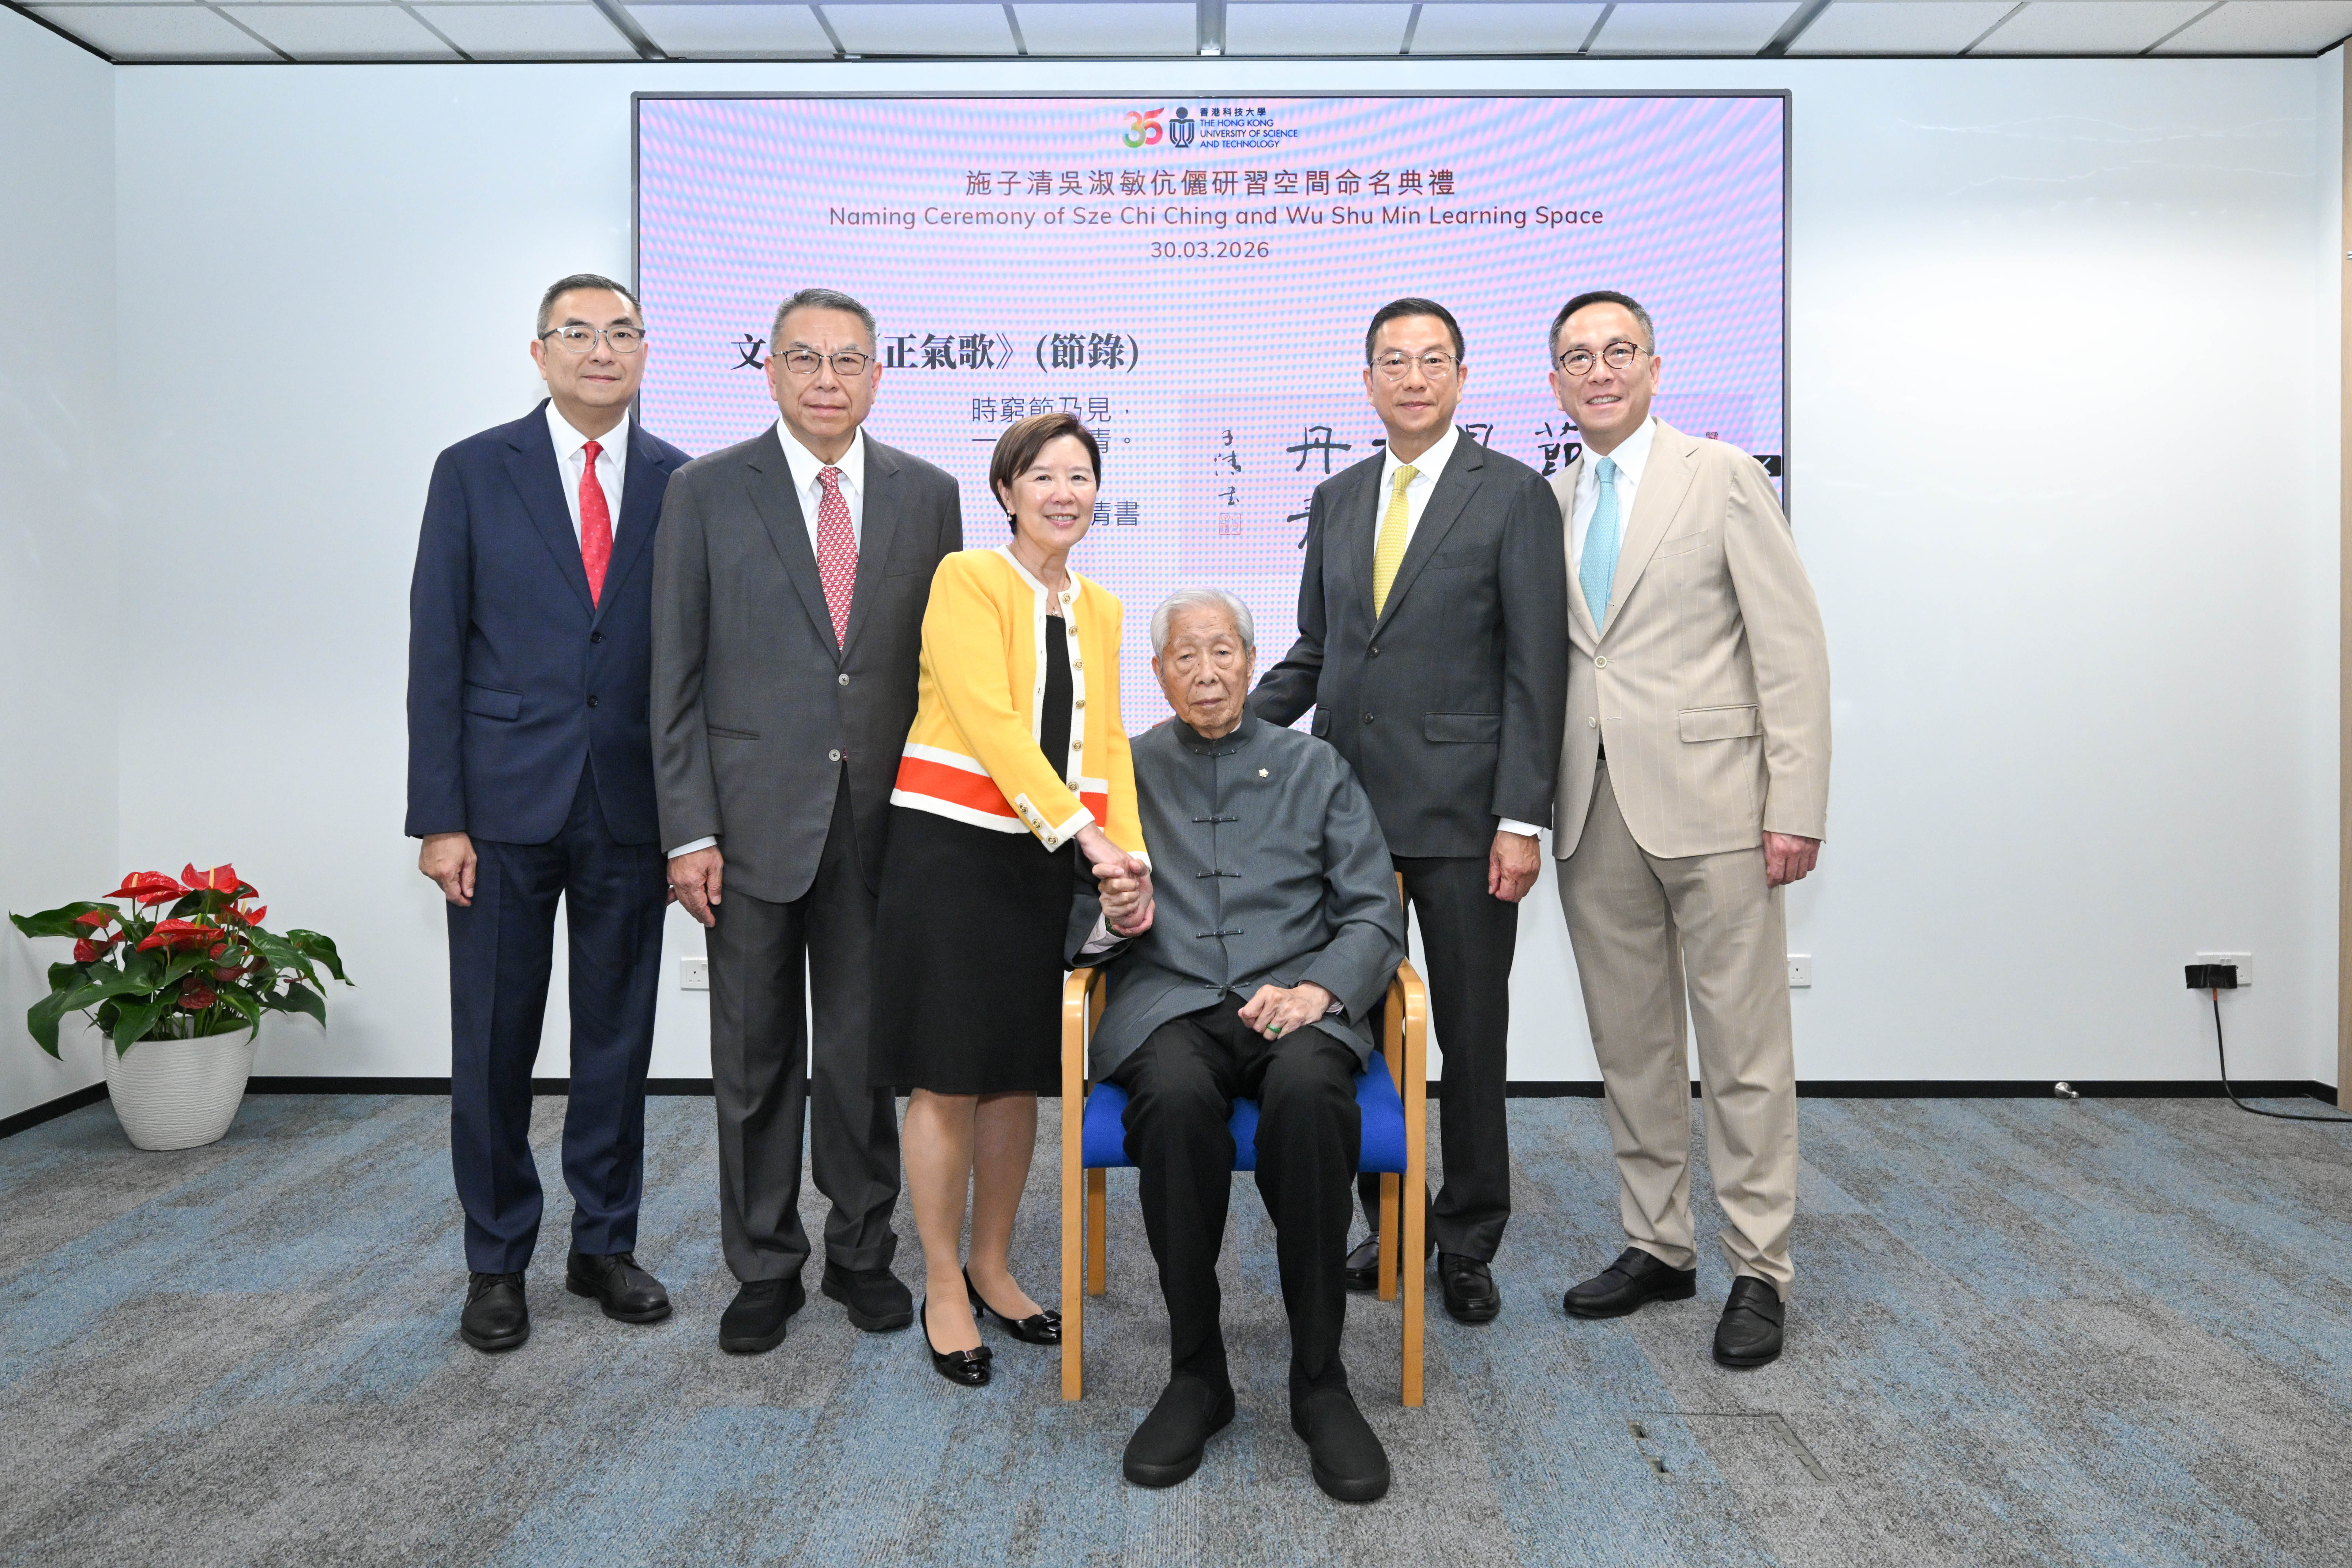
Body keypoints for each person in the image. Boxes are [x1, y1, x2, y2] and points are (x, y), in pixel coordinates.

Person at [650, 288, 962, 1354]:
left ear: (877, 375)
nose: (827, 379)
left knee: (865, 1057)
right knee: (753, 1056)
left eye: (847, 360)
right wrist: (688, 830)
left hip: (884, 824)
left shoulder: (930, 494)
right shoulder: (704, 490)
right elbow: (673, 672)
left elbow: (942, 674)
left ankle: (861, 1252)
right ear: (771, 370)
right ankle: (763, 1263)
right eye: (804, 358)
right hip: (745, 826)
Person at [1249, 297, 1567, 1325]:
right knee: (1351, 1032)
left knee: (1469, 1035)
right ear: (1368, 382)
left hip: (1468, 821)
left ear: (1463, 378)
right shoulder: (1337, 495)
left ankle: (1467, 1237)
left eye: (1433, 360)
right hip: (1345, 822)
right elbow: (1318, 650)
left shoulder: (1512, 494)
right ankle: (1388, 1223)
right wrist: (1224, 727)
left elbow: (1536, 669)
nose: (1414, 377)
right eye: (1394, 361)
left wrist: (1521, 816)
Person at [1542, 290, 1830, 1369]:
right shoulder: (1549, 498)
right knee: (1632, 1045)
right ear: (1556, 384)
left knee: (1743, 1049)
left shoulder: (1721, 476)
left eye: (1619, 351)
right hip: (1591, 805)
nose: (1600, 370)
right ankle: (1658, 1242)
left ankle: (1759, 1266)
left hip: (1718, 806)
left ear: (1655, 369)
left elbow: (1790, 648)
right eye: (1578, 357)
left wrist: (1793, 803)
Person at [407, 272, 690, 1353]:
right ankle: (496, 1261)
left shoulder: (681, 481)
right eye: (578, 333)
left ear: (645, 351)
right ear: (540, 353)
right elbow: (437, 647)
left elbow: (691, 662)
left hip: (631, 804)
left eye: (622, 332)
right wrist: (439, 816)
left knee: (616, 1039)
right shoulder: (474, 470)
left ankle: (604, 1245)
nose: (601, 350)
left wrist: (693, 817)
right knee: (492, 1044)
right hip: (498, 806)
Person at [1079, 588, 1406, 1504]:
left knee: (1310, 1095)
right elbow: (1073, 915)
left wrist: (1318, 992)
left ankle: (1320, 1380)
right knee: (1175, 1099)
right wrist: (1113, 917)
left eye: (1222, 651)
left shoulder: (1316, 766)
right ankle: (1197, 1374)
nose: (1206, 672)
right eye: (1184, 656)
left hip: (1296, 997)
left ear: (1252, 663)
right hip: (1171, 1001)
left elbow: (1373, 910)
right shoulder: (1124, 771)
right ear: (1158, 674)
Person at [869, 410, 1150, 1387]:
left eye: (1079, 476)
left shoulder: (1102, 606)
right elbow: (988, 721)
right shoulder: (968, 578)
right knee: (948, 1073)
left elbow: (1107, 742)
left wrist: (1128, 863)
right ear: (1006, 491)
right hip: (950, 851)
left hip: (1043, 861)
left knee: (1016, 1074)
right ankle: (943, 1280)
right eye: (1042, 476)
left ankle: (992, 1264)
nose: (1063, 493)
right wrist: (1085, 834)